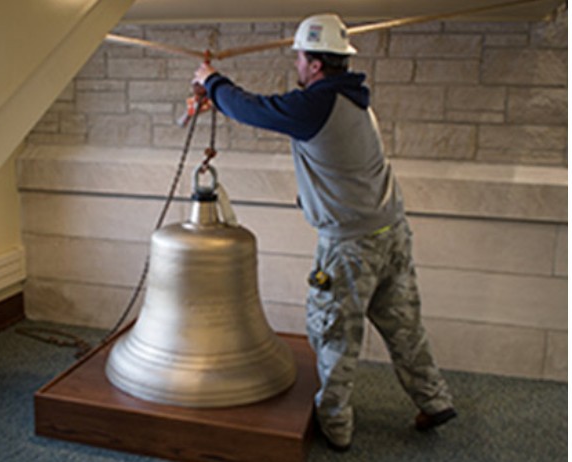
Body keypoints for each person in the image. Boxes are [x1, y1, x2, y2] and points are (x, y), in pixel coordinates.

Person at [192, 13, 456, 452]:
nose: (296, 64)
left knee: (334, 333)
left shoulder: (315, 105)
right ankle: (435, 399)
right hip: (391, 232)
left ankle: (335, 426)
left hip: (351, 247)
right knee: (405, 326)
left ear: (315, 64)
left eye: (299, 57)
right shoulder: (356, 101)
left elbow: (251, 108)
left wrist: (211, 79)